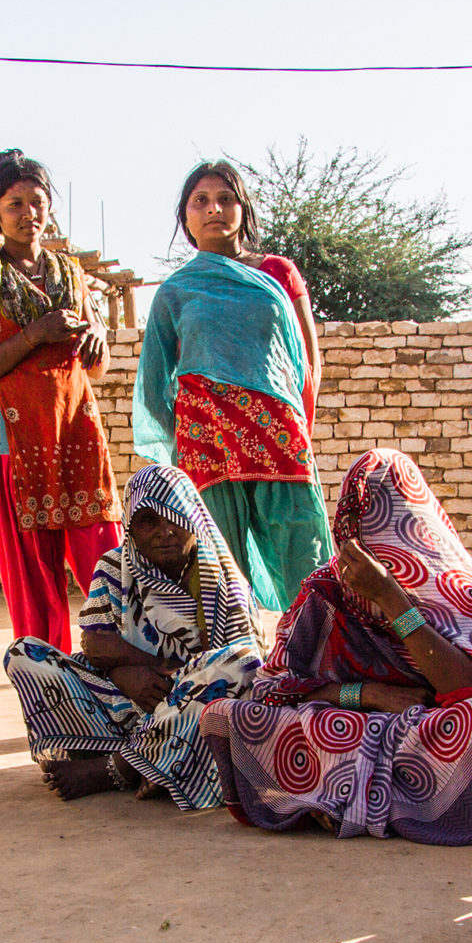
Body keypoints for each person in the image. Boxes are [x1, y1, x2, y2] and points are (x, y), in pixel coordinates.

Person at [199, 449, 472, 843]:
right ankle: (350, 800)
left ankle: (335, 801)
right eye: (351, 529)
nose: (360, 543)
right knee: (225, 716)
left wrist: (391, 598)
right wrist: (368, 694)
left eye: (373, 525)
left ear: (410, 521)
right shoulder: (328, 587)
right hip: (346, 726)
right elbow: (273, 688)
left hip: (435, 731)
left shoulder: (461, 588)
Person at [133, 160, 333, 611]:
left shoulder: (277, 272)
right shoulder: (175, 292)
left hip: (276, 432)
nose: (214, 209)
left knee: (304, 547)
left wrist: (300, 429)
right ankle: (239, 662)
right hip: (206, 441)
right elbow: (154, 383)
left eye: (225, 199)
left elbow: (307, 363)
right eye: (200, 201)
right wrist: (180, 448)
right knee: (219, 561)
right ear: (185, 218)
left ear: (243, 208)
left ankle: (312, 655)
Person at [3, 464, 263, 808]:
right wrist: (131, 674)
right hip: (123, 702)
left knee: (240, 667)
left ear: (193, 519)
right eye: (148, 521)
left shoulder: (223, 582)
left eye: (174, 518)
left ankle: (121, 767)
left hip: (182, 713)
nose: (164, 532)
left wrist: (155, 672)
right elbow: (95, 645)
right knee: (24, 654)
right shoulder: (115, 566)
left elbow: (237, 671)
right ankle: (152, 762)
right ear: (130, 527)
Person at [0, 149, 121, 653]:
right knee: (35, 584)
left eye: (38, 201)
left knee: (107, 569)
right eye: (14, 204)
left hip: (76, 435)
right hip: (16, 443)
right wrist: (32, 336)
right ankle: (50, 702)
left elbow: (99, 365)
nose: (29, 213)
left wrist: (98, 342)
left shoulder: (70, 275)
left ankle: (119, 695)